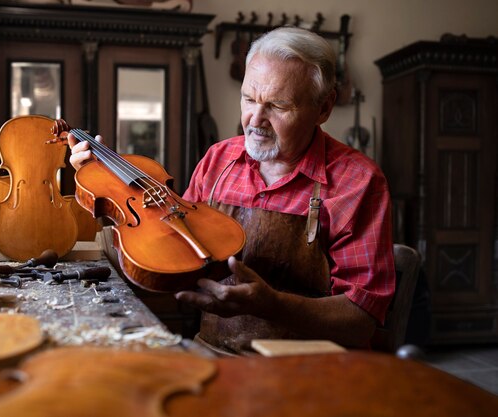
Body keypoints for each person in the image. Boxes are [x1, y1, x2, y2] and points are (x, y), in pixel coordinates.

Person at [69, 26, 395, 355]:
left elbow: (362, 318)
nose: (255, 119)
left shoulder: (359, 182)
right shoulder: (218, 159)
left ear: (324, 108)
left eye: (278, 106)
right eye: (249, 98)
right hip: (214, 352)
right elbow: (176, 260)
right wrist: (105, 181)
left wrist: (273, 305)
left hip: (311, 369)